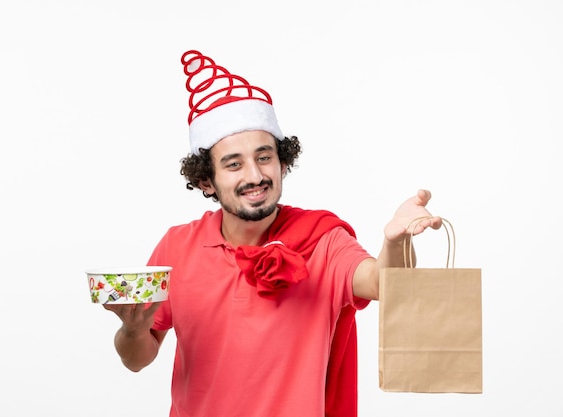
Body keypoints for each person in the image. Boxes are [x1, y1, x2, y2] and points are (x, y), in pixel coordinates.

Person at [103, 50, 442, 417]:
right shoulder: (176, 247)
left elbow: (381, 283)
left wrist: (395, 240)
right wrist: (134, 331)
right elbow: (137, 360)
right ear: (206, 180)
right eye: (233, 164)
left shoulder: (323, 240)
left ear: (282, 162)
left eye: (264, 157)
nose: (254, 175)